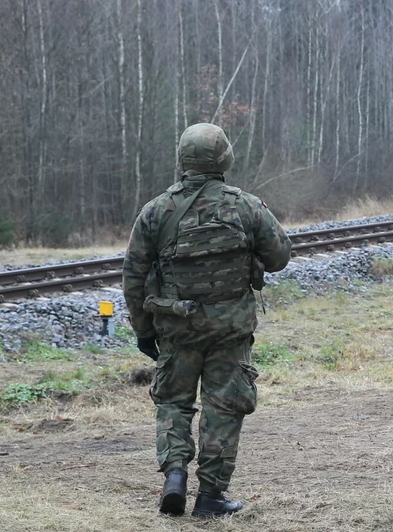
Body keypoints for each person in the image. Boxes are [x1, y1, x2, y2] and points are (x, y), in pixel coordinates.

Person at [123, 123, 292, 517]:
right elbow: (280, 257)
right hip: (230, 332)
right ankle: (211, 496)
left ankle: (175, 477)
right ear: (224, 159)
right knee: (224, 407)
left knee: (174, 403)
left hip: (176, 329)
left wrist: (143, 330)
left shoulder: (155, 211)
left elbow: (133, 276)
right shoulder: (247, 206)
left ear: (183, 158)